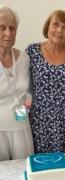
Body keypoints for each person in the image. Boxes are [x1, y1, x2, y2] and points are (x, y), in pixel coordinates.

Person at [25, 10, 65, 154]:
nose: (59, 30)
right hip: (41, 118)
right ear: (48, 27)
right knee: (44, 162)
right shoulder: (32, 51)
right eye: (55, 24)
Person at [0, 5, 34, 161]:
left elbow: (29, 92)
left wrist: (24, 112)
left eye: (12, 28)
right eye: (2, 28)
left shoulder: (24, 58)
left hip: (21, 126)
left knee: (24, 168)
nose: (8, 33)